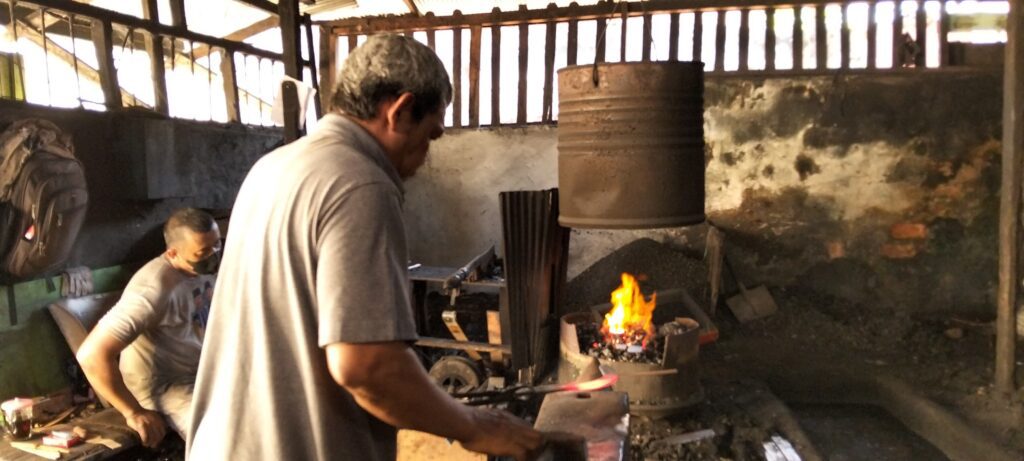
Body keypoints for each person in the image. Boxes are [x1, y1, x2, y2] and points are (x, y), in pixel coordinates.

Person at [187, 34, 543, 460]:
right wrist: (472, 425)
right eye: (430, 135)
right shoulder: (361, 183)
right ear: (400, 111)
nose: (425, 155)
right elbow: (368, 366)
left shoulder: (273, 166)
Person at [77, 208, 220, 447]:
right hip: (166, 386)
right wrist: (133, 412)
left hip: (203, 373)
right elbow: (91, 355)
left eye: (217, 245)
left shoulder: (205, 268)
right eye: (203, 252)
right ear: (173, 253)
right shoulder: (152, 291)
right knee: (220, 437)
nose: (213, 254)